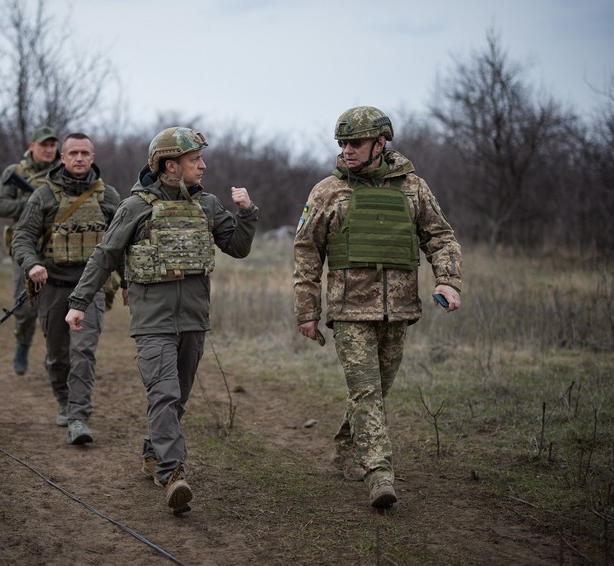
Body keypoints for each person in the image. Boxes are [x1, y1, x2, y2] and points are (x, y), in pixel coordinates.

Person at [65, 127, 258, 514]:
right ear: (171, 165)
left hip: (193, 320)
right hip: (152, 321)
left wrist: (247, 213)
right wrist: (79, 302)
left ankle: (154, 451)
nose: (202, 166)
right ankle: (172, 474)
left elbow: (237, 247)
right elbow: (104, 256)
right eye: (194, 160)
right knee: (164, 393)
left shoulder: (207, 205)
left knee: (177, 396)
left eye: (201, 160)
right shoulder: (136, 208)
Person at [293, 106, 462, 509]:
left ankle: (347, 447)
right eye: (342, 143)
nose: (347, 150)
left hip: (399, 310)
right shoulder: (327, 192)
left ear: (380, 143)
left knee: (377, 390)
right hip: (349, 311)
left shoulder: (413, 189)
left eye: (355, 143)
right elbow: (306, 252)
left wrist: (448, 279)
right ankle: (380, 474)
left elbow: (440, 237)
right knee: (366, 391)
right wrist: (307, 310)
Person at [12, 132, 121, 445]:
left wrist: (127, 282)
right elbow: (22, 238)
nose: (79, 159)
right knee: (58, 356)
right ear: (62, 157)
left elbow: (121, 242)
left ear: (93, 156)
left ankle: (78, 416)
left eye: (85, 153)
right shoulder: (44, 196)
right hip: (54, 286)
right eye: (72, 153)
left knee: (83, 351)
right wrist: (32, 264)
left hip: (92, 289)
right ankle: (63, 399)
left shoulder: (107, 196)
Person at [0, 126, 61, 375]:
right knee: (25, 308)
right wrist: (31, 203)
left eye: (52, 145)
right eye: (44, 144)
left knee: (55, 309)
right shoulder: (16, 172)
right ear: (32, 145)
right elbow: (0, 206)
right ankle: (22, 345)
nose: (48, 149)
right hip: (24, 248)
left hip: (57, 249)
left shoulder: (63, 172)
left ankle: (54, 361)